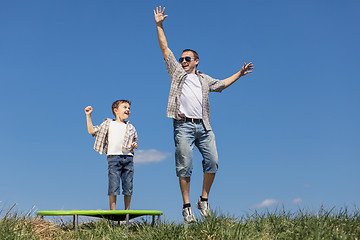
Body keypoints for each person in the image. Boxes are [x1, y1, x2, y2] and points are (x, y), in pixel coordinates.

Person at [154, 6, 254, 222]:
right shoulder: (177, 74)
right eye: (182, 59)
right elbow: (165, 49)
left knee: (213, 162)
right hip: (183, 126)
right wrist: (159, 25)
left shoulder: (203, 79)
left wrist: (240, 73)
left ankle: (204, 200)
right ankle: (187, 205)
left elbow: (221, 85)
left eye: (187, 59)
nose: (183, 62)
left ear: (196, 60)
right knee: (185, 165)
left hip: (204, 126)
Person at [84, 100, 138, 210]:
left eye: (129, 108)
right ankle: (113, 211)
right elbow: (91, 131)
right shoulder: (108, 124)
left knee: (128, 185)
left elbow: (135, 142)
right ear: (116, 111)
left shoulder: (131, 127)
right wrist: (88, 116)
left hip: (128, 158)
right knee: (114, 184)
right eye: (125, 107)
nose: (128, 109)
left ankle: (126, 211)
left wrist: (134, 145)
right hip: (113, 157)